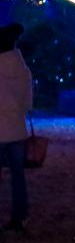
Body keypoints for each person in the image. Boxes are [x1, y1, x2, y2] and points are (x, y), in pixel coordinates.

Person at [0, 23, 32, 232]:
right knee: (18, 176)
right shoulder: (23, 69)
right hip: (17, 129)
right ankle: (19, 217)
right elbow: (28, 103)